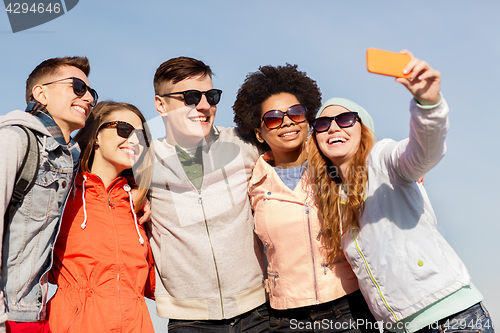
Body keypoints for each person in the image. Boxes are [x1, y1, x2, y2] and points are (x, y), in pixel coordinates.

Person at [308, 51, 494, 333]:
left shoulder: (383, 161)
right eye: (322, 124)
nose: (333, 126)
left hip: (452, 319)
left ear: (363, 129)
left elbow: (424, 152)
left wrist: (428, 105)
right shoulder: (333, 198)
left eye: (345, 119)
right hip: (400, 328)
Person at [233, 64, 377, 332]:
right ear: (258, 132)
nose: (287, 121)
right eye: (274, 118)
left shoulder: (338, 165)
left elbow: (373, 155)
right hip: (285, 318)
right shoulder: (250, 182)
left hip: (349, 306)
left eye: (295, 113)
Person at [148, 56, 269, 332]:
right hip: (190, 319)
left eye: (211, 96)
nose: (204, 106)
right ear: (161, 105)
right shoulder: (143, 161)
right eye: (190, 97)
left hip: (258, 310)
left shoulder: (243, 143)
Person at [0, 57, 97, 333]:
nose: (88, 97)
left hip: (39, 313)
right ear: (41, 93)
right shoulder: (15, 139)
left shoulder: (72, 158)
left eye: (92, 93)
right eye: (78, 87)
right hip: (8, 314)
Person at [46, 101, 155, 332]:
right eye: (124, 129)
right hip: (74, 323)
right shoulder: (63, 193)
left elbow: (156, 284)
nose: (134, 141)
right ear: (96, 135)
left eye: (142, 136)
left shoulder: (140, 206)